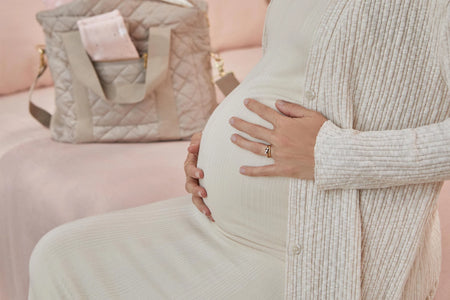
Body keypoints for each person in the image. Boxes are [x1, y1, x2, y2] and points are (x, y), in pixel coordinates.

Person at [28, 0, 450, 299]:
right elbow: (290, 70)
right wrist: (216, 138)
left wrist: (332, 153)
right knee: (59, 258)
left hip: (312, 245)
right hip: (220, 224)